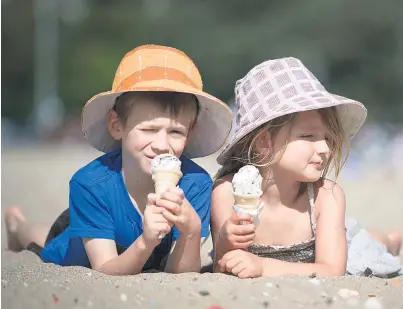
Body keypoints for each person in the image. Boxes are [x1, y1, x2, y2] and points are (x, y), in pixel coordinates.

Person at [4, 44, 233, 275]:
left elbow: (182, 275)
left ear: (190, 133)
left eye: (175, 132)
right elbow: (104, 268)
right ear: (117, 125)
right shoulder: (90, 184)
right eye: (149, 129)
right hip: (81, 246)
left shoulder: (196, 183)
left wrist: (191, 232)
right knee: (45, 240)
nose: (162, 145)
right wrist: (145, 242)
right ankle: (17, 226)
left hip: (125, 235)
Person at [210, 57, 402, 278]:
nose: (325, 149)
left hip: (342, 245)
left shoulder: (326, 196)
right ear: (264, 143)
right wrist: (225, 240)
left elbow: (332, 270)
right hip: (325, 241)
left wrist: (263, 267)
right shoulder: (226, 193)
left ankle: (390, 240)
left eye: (328, 139)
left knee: (368, 245)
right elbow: (222, 266)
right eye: (308, 136)